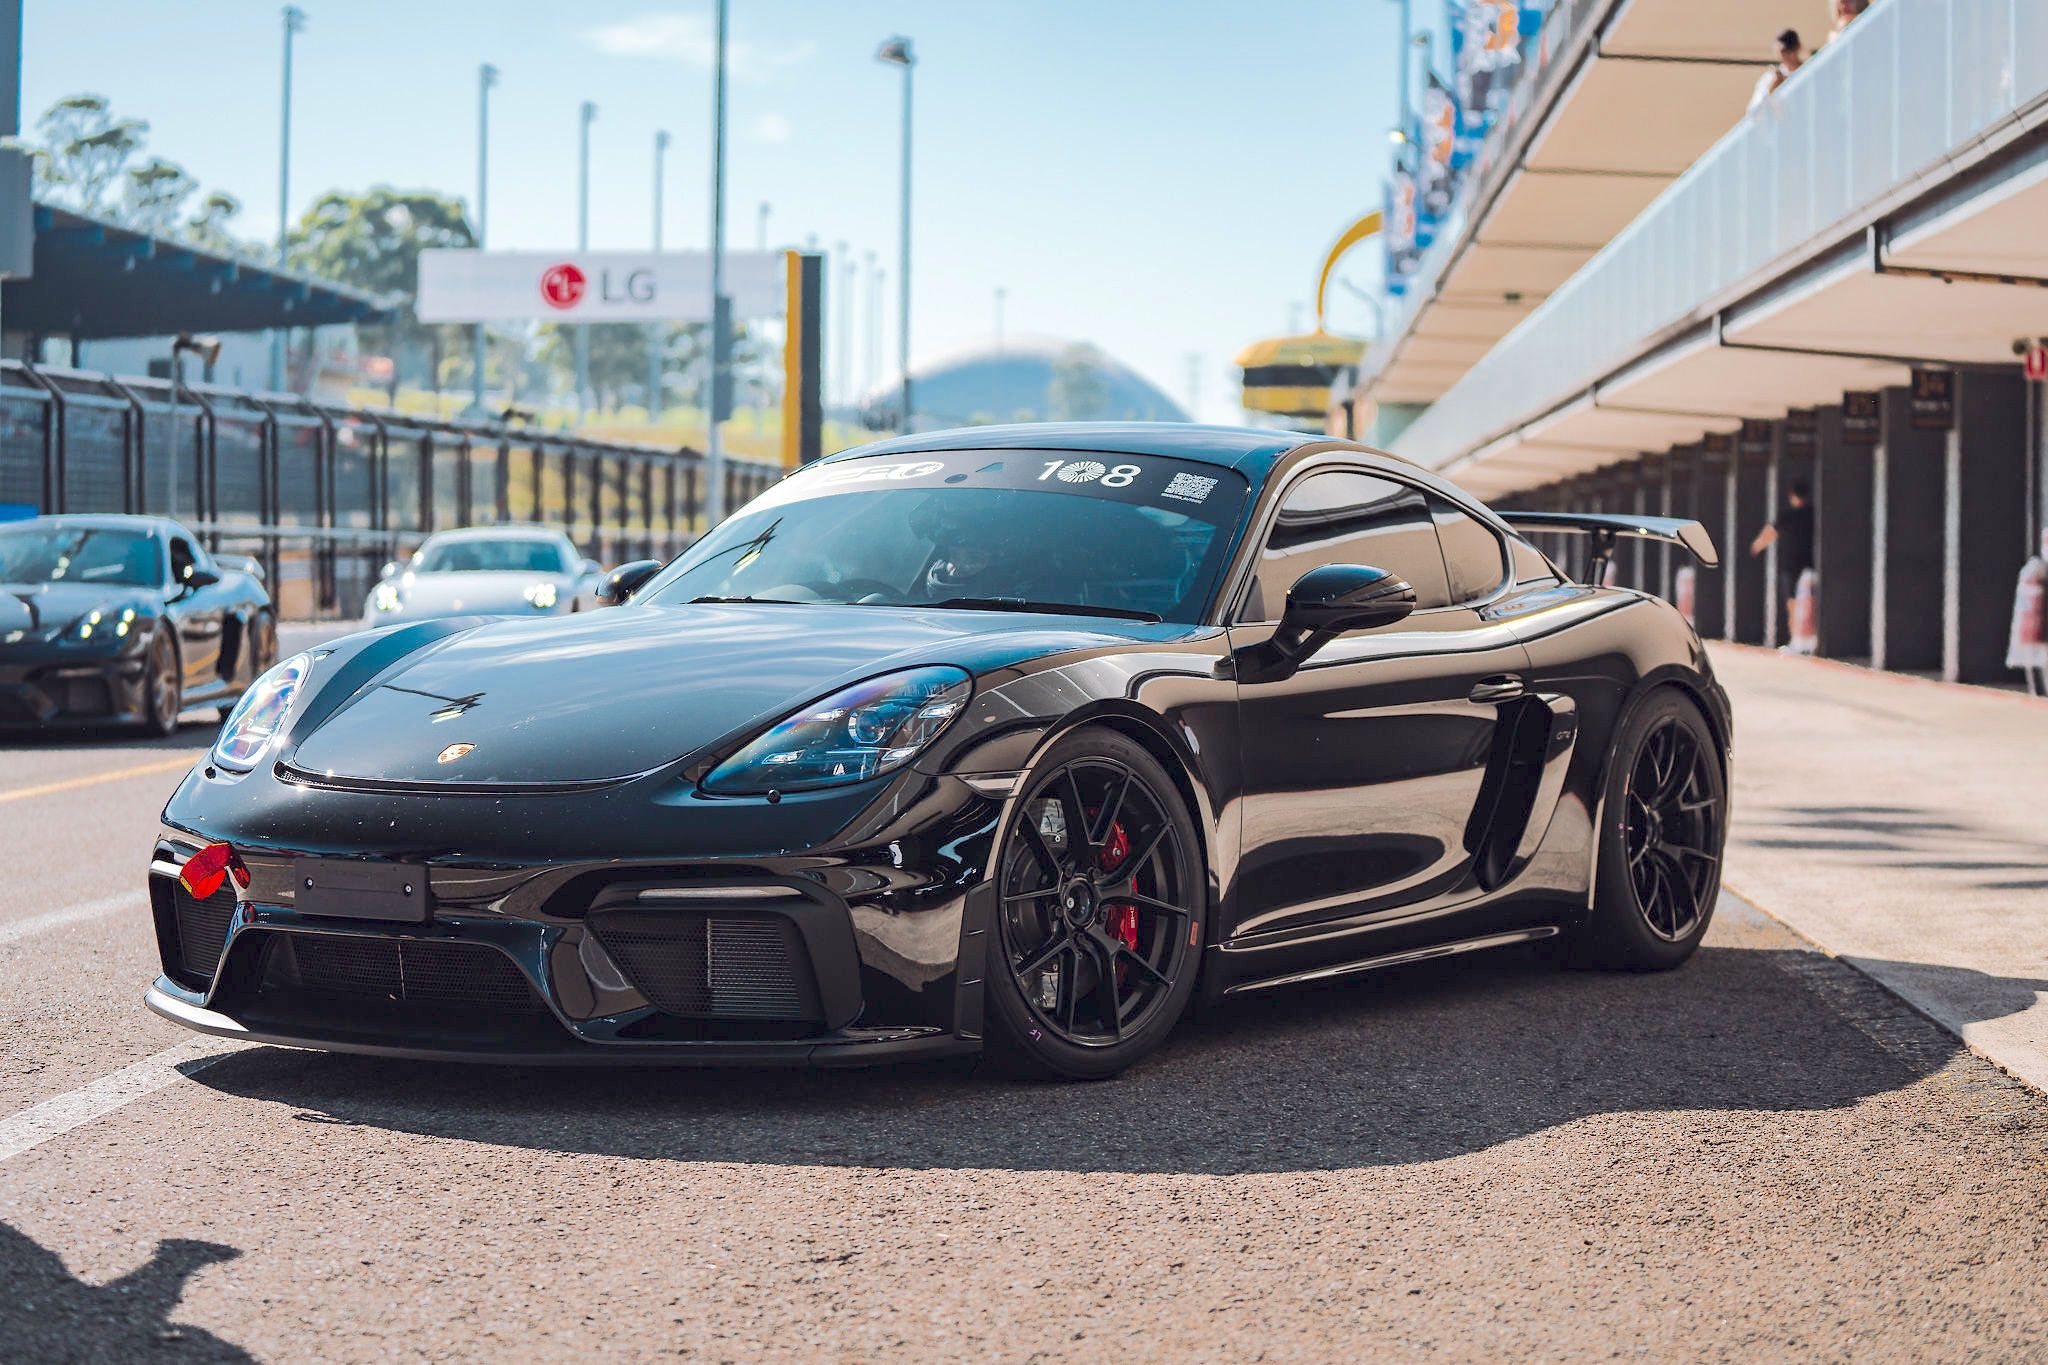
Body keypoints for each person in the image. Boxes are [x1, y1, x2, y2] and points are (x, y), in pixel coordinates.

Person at [1750, 481, 1814, 638]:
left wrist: (1757, 545)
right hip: (1809, 563)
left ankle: (1796, 638)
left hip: (1791, 564)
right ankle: (1808, 637)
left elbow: (1770, 532)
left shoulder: (1787, 515)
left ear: (1792, 496)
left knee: (1792, 603)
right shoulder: (1812, 514)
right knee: (1809, 600)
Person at [1748, 29, 1804, 111]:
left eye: (1791, 48)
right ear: (1777, 51)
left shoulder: (1809, 73)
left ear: (1799, 47)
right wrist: (1771, 89)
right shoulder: (1770, 78)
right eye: (1783, 51)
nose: (1788, 54)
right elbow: (1753, 113)